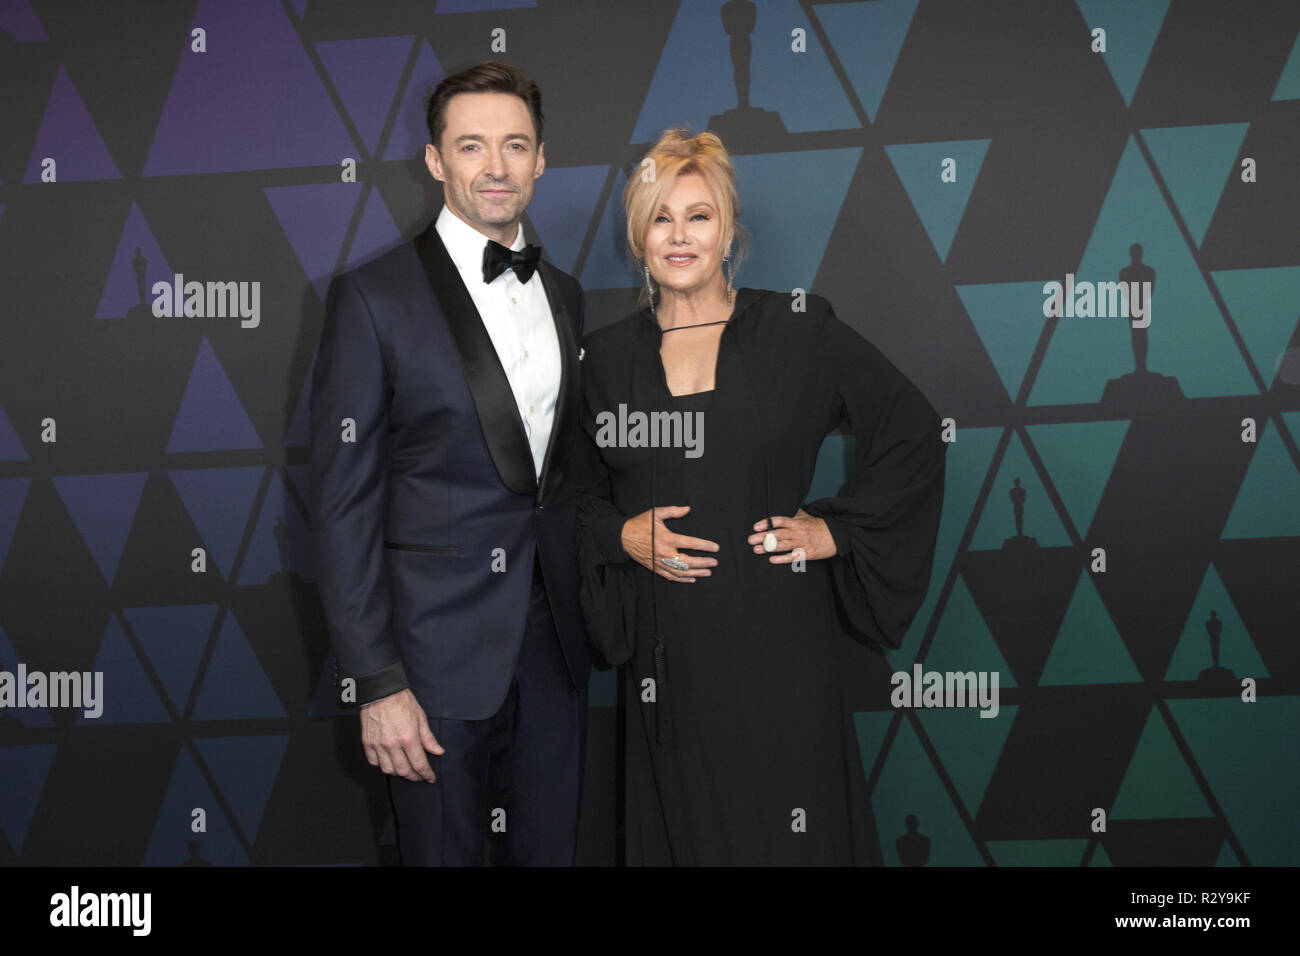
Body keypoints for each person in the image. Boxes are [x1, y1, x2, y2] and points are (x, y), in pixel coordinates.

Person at [574, 129, 946, 865]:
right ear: (637, 235)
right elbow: (570, 499)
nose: (679, 236)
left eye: (699, 216)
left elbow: (913, 432)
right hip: (668, 656)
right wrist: (621, 537)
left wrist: (834, 532)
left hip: (781, 647)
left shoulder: (798, 328)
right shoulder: (606, 357)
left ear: (730, 230)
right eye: (660, 218)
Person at [310, 61, 590, 866]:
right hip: (429, 660)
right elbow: (341, 504)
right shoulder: (372, 298)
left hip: (554, 651)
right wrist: (377, 681)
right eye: (472, 146)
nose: (495, 167)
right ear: (436, 161)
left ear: (541, 159)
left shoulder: (565, 293)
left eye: (515, 145)